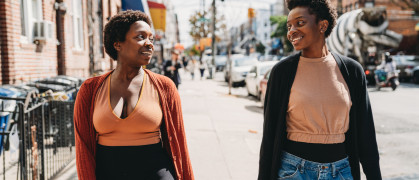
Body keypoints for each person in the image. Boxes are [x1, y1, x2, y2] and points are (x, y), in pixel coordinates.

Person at [258, 0, 382, 180]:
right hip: (293, 171)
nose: (292, 30)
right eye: (289, 25)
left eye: (300, 23)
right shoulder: (281, 72)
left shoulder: (352, 71)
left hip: (340, 171)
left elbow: (366, 135)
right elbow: (269, 137)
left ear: (323, 25)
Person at [74, 10, 194, 180]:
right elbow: (83, 148)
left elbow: (179, 146)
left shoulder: (165, 87)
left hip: (155, 172)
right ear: (117, 44)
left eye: (151, 38)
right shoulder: (90, 89)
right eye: (140, 37)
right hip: (107, 173)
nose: (149, 43)